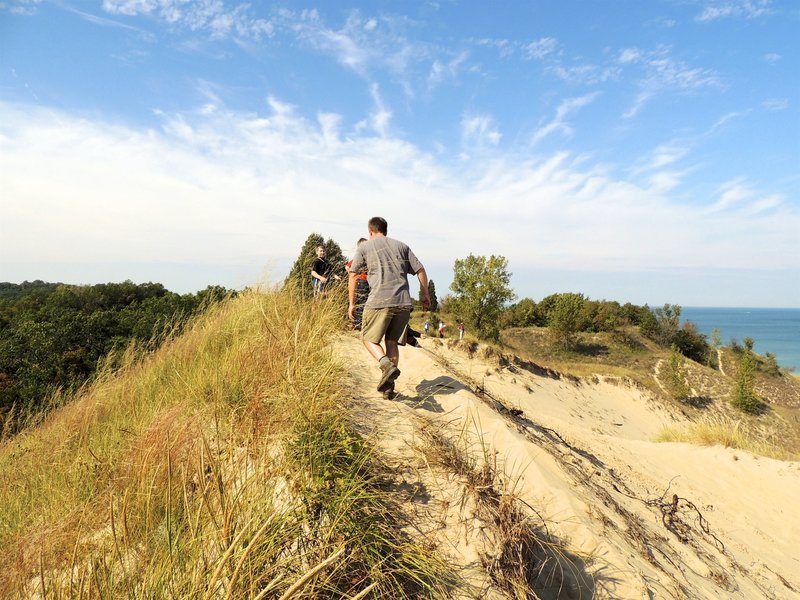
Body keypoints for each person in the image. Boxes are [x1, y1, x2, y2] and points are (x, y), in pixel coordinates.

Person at [348, 217, 430, 400]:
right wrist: (425, 294)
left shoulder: (364, 248)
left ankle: (386, 365)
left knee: (367, 338)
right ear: (385, 230)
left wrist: (352, 303)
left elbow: (353, 276)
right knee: (391, 342)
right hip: (403, 302)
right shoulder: (402, 246)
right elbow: (420, 270)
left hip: (379, 300)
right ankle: (388, 388)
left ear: (370, 232)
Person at [345, 238, 370, 330]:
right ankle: (358, 323)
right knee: (361, 302)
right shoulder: (358, 257)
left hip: (369, 281)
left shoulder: (369, 257)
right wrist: (354, 274)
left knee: (366, 302)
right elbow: (347, 266)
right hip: (361, 281)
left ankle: (363, 322)